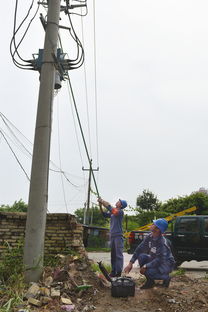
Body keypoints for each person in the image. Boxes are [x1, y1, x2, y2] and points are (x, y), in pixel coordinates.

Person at [124, 218, 175, 289]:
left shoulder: (162, 243)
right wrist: (130, 263)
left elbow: (159, 260)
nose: (151, 224)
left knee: (148, 271)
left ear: (157, 229)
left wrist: (146, 266)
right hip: (155, 259)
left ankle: (166, 277)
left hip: (165, 264)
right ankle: (150, 282)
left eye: (154, 224)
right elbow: (139, 249)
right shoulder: (150, 236)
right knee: (141, 256)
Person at [98, 197, 127, 277]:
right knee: (113, 255)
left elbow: (109, 207)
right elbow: (104, 214)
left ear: (121, 205)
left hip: (118, 236)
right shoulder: (113, 213)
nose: (117, 201)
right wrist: (100, 205)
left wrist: (102, 200)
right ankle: (114, 271)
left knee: (118, 255)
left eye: (119, 201)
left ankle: (118, 272)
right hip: (113, 236)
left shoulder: (120, 212)